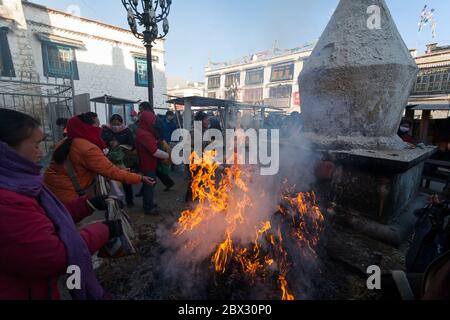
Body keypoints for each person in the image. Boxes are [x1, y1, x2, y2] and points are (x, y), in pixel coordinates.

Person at [0, 108, 124, 300]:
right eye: (35, 145)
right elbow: (53, 256)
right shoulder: (7, 202)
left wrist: (88, 204)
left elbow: (43, 218)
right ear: (7, 150)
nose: (41, 153)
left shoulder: (20, 184)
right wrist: (104, 230)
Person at [44, 113, 154, 205]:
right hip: (68, 196)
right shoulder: (87, 148)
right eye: (97, 125)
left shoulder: (65, 141)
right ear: (87, 128)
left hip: (52, 191)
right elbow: (110, 171)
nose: (99, 129)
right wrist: (140, 178)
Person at [136, 111, 170, 215]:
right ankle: (148, 208)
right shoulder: (144, 134)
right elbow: (154, 151)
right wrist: (168, 156)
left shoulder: (144, 132)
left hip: (148, 163)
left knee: (150, 185)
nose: (154, 123)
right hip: (147, 164)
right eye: (152, 121)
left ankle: (148, 203)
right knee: (149, 186)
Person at [101, 114, 137, 208]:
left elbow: (132, 144)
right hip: (110, 160)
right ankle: (115, 202)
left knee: (126, 180)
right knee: (112, 182)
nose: (115, 126)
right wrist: (109, 143)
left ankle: (129, 201)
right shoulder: (106, 131)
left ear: (121, 123)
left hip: (124, 160)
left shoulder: (127, 131)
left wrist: (121, 145)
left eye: (117, 124)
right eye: (113, 124)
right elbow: (102, 142)